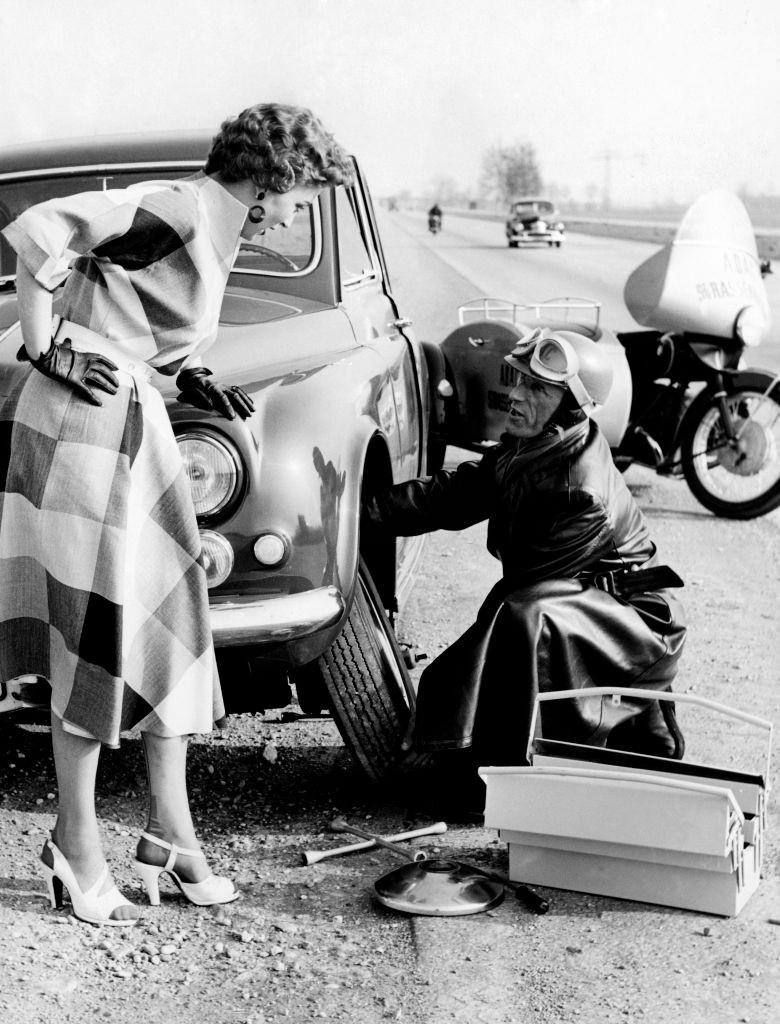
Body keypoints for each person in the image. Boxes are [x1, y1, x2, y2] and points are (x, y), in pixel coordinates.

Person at [0, 103, 353, 925]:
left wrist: (189, 372)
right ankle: (74, 846)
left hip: (133, 417)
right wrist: (44, 346)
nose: (298, 215)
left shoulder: (211, 227)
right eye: (301, 199)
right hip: (85, 424)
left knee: (171, 630)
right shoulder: (183, 207)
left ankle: (171, 833)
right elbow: (42, 230)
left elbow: (137, 304)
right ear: (272, 184)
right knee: (93, 637)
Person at [363, 328, 687, 805]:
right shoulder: (536, 444)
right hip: (583, 602)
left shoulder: (579, 492)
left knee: (523, 619)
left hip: (635, 623)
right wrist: (363, 512)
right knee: (524, 615)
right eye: (517, 380)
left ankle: (496, 780)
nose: (514, 394)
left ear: (571, 406)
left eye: (538, 388)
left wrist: (438, 709)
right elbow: (455, 494)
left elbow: (518, 597)